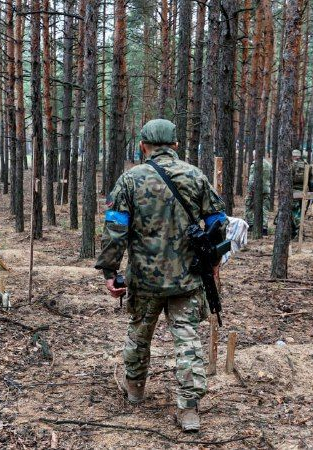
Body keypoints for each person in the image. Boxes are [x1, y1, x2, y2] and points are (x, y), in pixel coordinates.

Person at [95, 119, 228, 433]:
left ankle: (135, 391)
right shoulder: (196, 177)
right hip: (188, 279)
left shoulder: (130, 180)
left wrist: (110, 272)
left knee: (139, 337)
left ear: (143, 146)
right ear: (176, 145)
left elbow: (115, 230)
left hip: (145, 280)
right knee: (188, 342)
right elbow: (218, 223)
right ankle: (190, 409)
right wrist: (214, 261)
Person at [245, 153, 272, 234]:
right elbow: (270, 177)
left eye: (253, 156)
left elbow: (251, 179)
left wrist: (249, 191)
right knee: (265, 208)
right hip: (266, 189)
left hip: (255, 189)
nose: (253, 157)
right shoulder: (269, 164)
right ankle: (264, 228)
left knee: (248, 205)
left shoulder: (254, 164)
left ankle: (251, 225)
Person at [290, 149, 313, 237]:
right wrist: (311, 192)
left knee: (295, 212)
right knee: (300, 212)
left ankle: (299, 231)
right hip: (304, 192)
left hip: (293, 192)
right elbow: (311, 181)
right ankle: (296, 231)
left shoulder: (291, 165)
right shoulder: (307, 165)